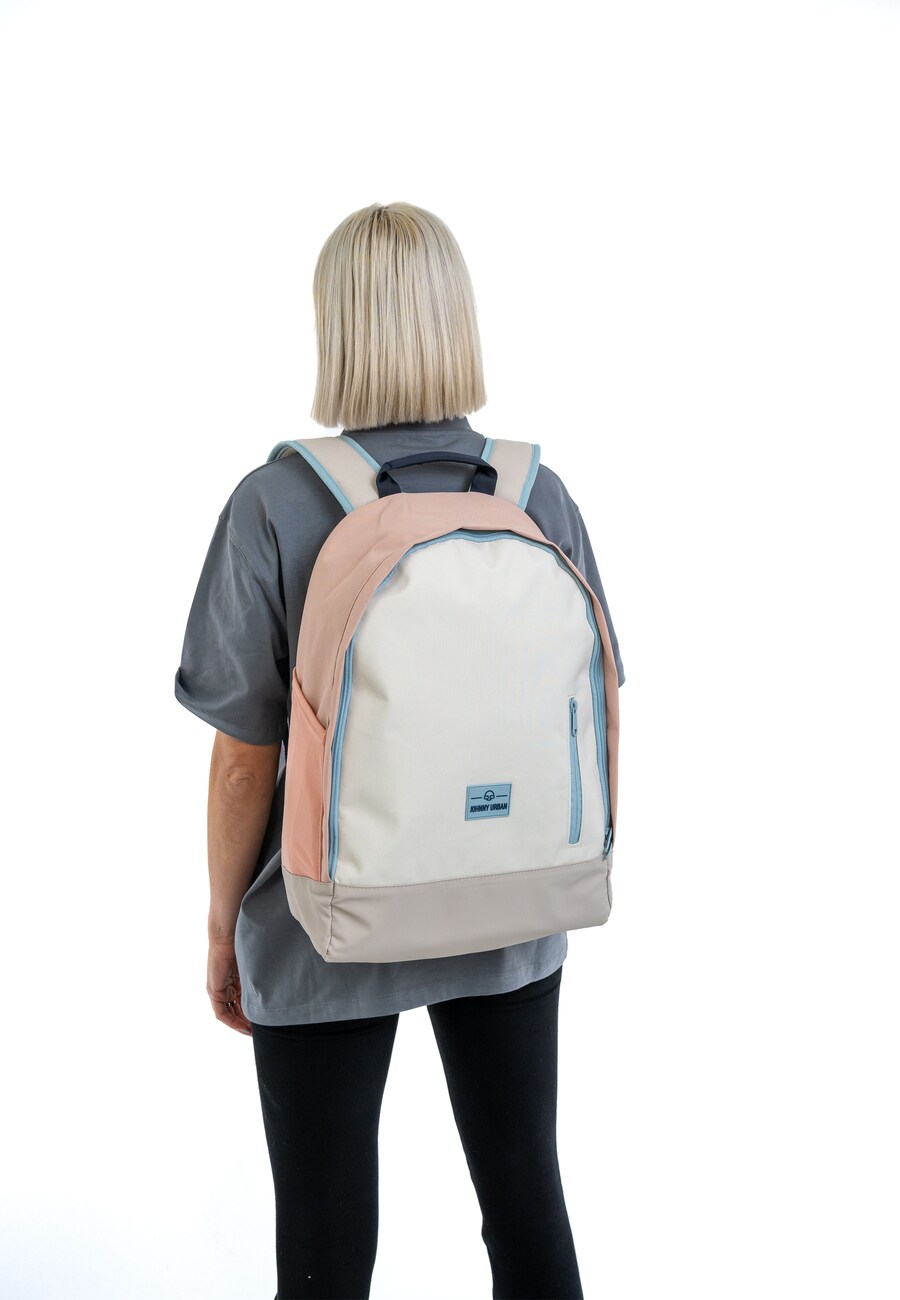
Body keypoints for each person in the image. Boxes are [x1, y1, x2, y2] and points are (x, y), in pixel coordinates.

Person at [174, 201, 625, 1300]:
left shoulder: (276, 503)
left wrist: (225, 927)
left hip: (325, 925)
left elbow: (243, 762)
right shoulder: (535, 492)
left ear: (335, 326)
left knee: (325, 1249)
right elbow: (595, 696)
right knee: (526, 1204)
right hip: (512, 902)